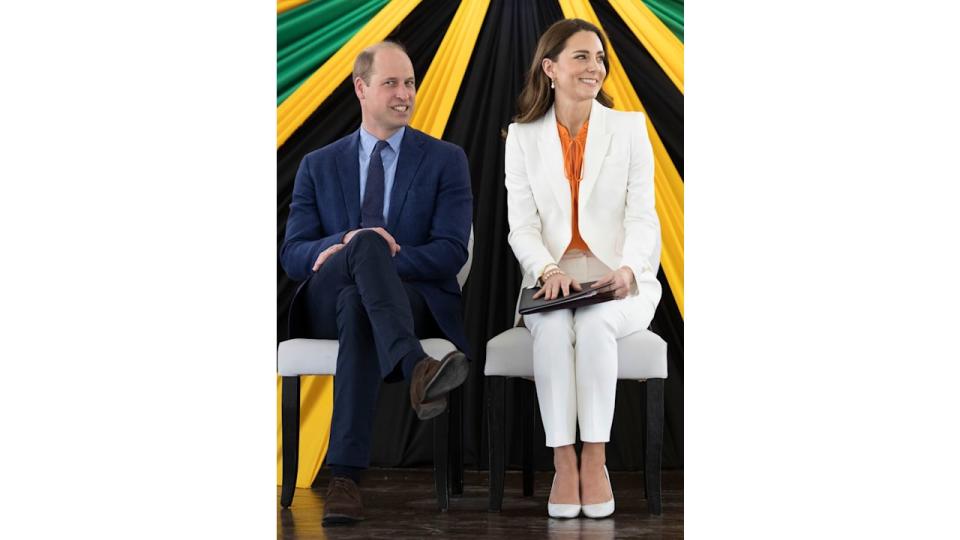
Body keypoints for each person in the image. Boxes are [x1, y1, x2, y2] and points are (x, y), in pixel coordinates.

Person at [280, 41, 473, 526]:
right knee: (361, 247)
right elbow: (292, 254)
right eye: (391, 83)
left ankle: (344, 480)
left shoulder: (446, 160)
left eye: (409, 83)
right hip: (325, 295)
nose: (405, 93)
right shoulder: (318, 165)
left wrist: (381, 261)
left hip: (411, 297)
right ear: (361, 88)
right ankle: (417, 366)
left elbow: (452, 250)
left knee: (358, 303)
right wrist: (345, 245)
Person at [504, 19, 662, 519]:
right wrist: (548, 270)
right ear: (550, 67)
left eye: (599, 58)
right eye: (581, 57)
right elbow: (521, 227)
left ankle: (595, 459)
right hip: (553, 274)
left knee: (594, 324)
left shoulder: (630, 128)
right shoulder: (521, 137)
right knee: (552, 327)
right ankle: (563, 460)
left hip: (620, 275)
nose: (594, 67)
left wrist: (630, 270)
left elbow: (642, 216)